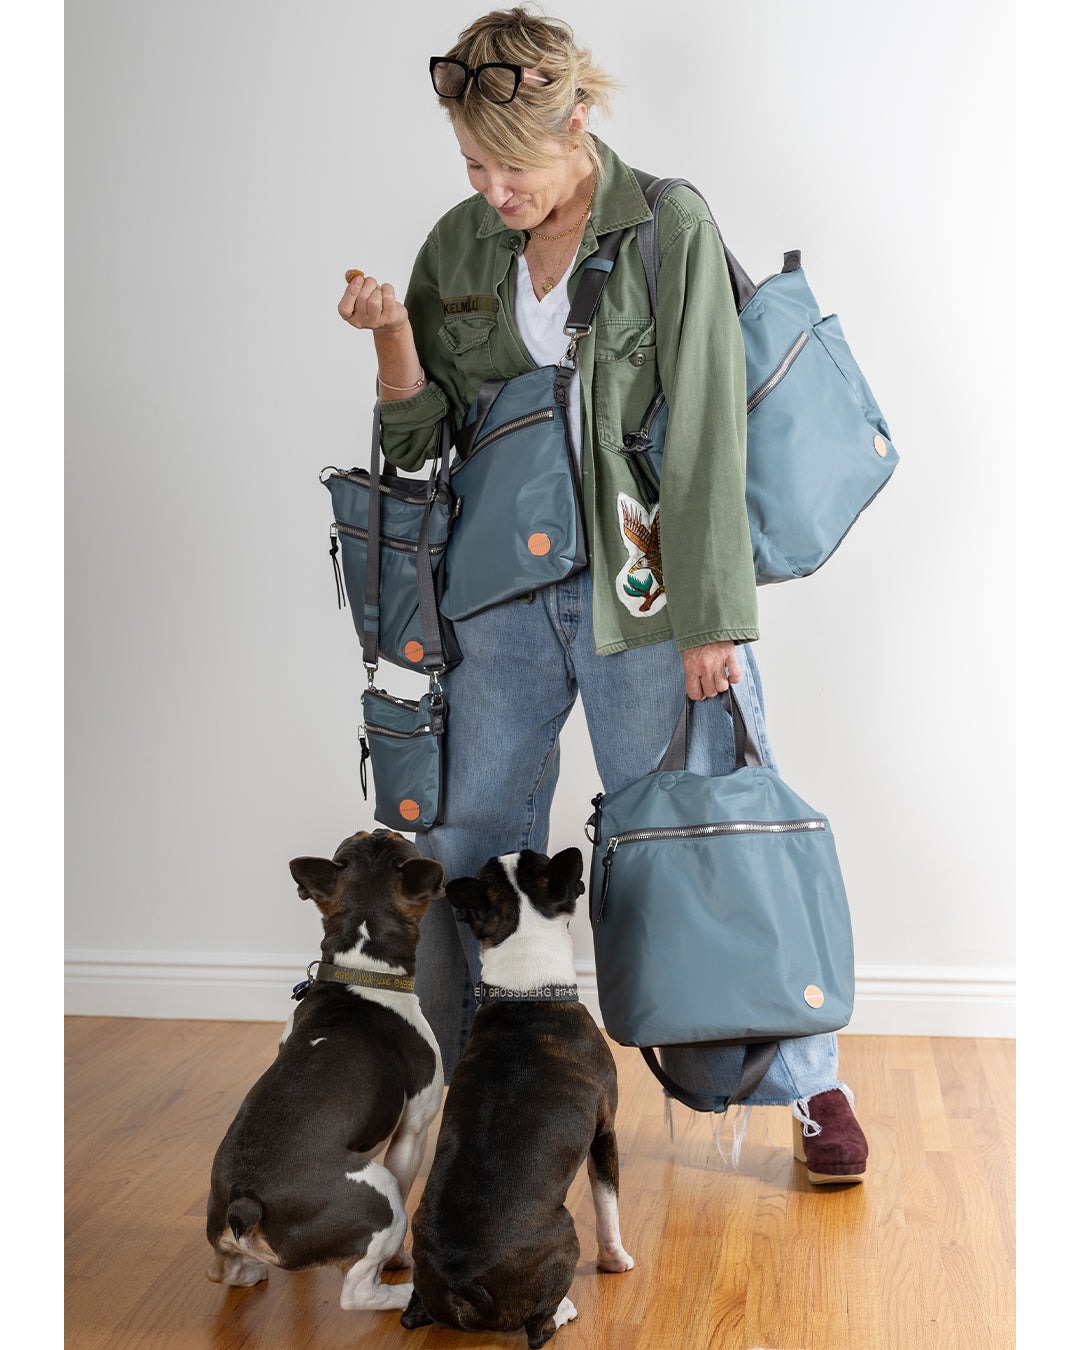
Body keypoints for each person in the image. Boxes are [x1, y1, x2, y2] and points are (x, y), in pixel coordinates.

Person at [337, 6, 868, 1185]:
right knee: (465, 836)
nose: (495, 190)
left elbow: (708, 425)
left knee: (706, 823)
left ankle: (802, 1080)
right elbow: (422, 438)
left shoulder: (668, 225)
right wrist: (392, 337)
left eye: (513, 166)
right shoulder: (458, 246)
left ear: (577, 122)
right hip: (495, 596)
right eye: (473, 166)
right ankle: (475, 1083)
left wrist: (714, 617)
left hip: (643, 590)